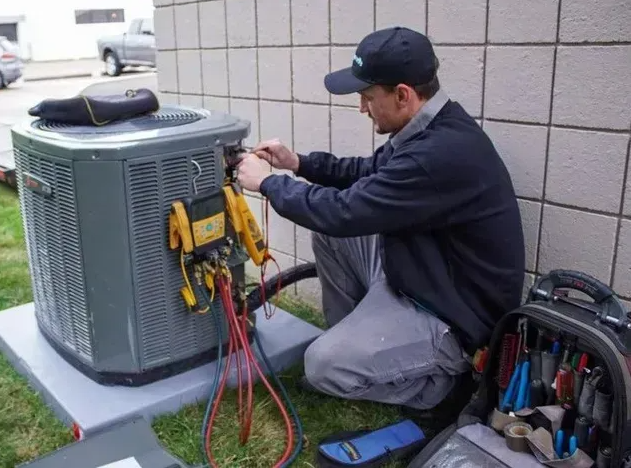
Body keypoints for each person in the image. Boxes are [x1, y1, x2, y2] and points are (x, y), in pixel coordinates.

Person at [236, 26, 525, 410]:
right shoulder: (428, 128)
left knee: (321, 366)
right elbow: (368, 173)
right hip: (421, 274)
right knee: (331, 238)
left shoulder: (438, 154)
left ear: (402, 95)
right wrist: (298, 163)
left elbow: (343, 212)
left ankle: (440, 384)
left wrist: (268, 183)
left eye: (368, 97)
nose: (361, 107)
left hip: (451, 317)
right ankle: (359, 343)